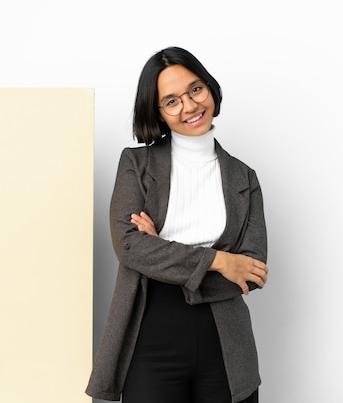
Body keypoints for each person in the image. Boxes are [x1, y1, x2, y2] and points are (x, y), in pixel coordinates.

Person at [85, 46, 268, 403]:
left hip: (227, 343)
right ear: (157, 112)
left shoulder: (244, 177)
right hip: (150, 335)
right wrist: (219, 261)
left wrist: (161, 249)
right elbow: (129, 246)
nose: (188, 106)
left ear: (210, 89)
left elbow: (252, 271)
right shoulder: (136, 165)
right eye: (171, 101)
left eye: (194, 89)